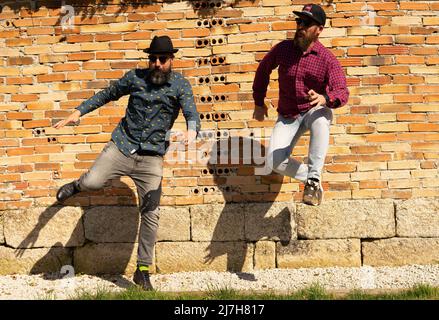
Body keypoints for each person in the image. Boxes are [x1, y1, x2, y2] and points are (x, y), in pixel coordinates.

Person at [53, 35, 200, 290]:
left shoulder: (180, 85)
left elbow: (191, 112)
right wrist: (78, 113)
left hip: (151, 158)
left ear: (171, 60)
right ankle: (77, 186)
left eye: (162, 59)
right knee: (93, 181)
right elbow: (107, 94)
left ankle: (142, 271)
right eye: (152, 58)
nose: (156, 64)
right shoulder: (135, 77)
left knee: (152, 212)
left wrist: (192, 131)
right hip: (122, 146)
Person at [252, 4, 349, 206]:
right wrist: (259, 102)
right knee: (273, 161)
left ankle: (313, 179)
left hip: (314, 110)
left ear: (319, 29)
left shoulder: (327, 59)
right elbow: (263, 70)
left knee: (322, 118)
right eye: (299, 21)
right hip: (288, 115)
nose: (301, 26)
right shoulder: (283, 49)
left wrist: (325, 98)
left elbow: (342, 91)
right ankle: (312, 179)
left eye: (307, 23)